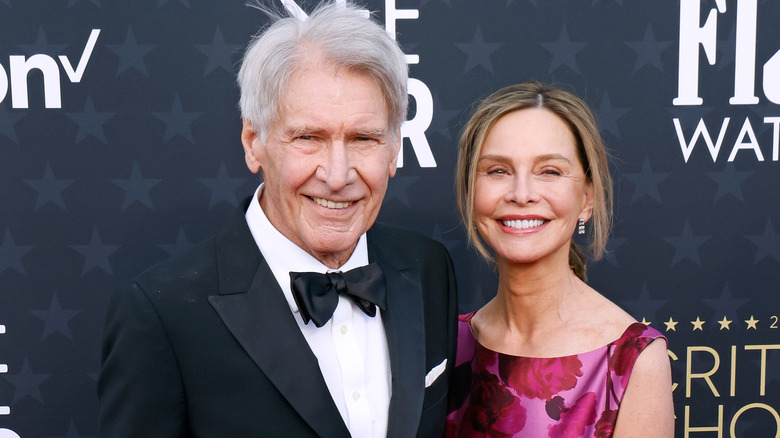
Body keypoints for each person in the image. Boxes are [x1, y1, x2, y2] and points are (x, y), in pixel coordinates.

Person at [97, 3, 457, 437]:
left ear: (395, 147)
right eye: (308, 138)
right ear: (254, 143)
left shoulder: (427, 268)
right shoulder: (161, 314)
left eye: (364, 138)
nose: (338, 175)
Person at [446, 81, 674, 437]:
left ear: (587, 197)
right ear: (470, 192)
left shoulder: (632, 358)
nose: (521, 194)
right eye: (498, 171)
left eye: (549, 171)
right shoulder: (445, 343)